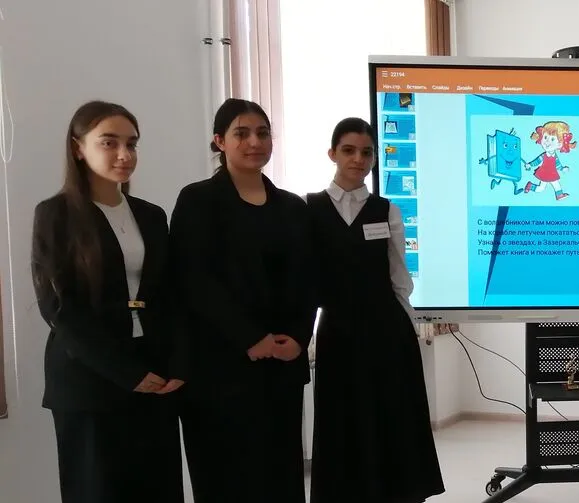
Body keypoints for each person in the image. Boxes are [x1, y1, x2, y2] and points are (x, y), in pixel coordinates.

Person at [30, 101, 187, 503]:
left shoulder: (151, 215)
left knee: (157, 488)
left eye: (132, 144)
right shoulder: (56, 214)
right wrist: (126, 373)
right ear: (78, 147)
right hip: (90, 377)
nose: (124, 154)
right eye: (109, 142)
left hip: (153, 374)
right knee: (98, 490)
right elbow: (59, 309)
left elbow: (169, 296)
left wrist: (175, 364)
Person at [168, 98, 315, 503]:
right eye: (242, 133)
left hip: (282, 366)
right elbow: (193, 281)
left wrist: (299, 337)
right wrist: (250, 338)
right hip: (219, 369)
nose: (255, 142)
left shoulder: (292, 207)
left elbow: (308, 281)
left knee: (280, 479)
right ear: (219, 141)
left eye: (263, 133)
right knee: (226, 480)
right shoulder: (198, 200)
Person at [306, 117, 445, 503]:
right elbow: (305, 276)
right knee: (341, 419)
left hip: (386, 330)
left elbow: (399, 276)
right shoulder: (310, 208)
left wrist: (410, 328)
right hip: (338, 331)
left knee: (392, 417)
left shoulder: (387, 210)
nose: (358, 159)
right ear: (332, 154)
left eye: (366, 152)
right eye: (349, 150)